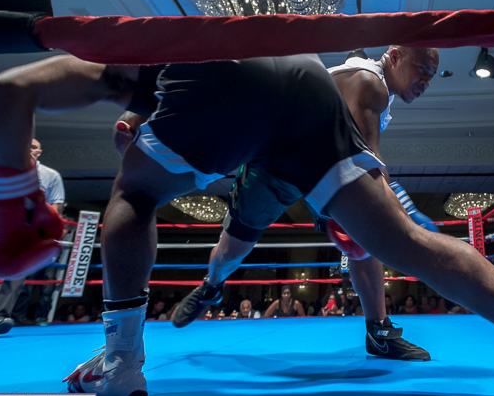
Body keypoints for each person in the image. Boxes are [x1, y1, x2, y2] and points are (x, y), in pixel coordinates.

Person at [0, 53, 494, 396]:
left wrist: (12, 191)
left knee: (135, 192)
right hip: (302, 82)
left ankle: (123, 359)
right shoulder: (155, 73)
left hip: (229, 91)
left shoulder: (124, 62)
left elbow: (7, 89)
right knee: (408, 243)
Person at [171, 47, 440, 362]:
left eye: (431, 75)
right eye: (421, 68)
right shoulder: (370, 84)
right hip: (278, 164)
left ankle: (378, 332)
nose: (425, 81)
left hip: (322, 169)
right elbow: (367, 164)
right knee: (231, 251)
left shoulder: (372, 84)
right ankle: (212, 285)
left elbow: (356, 159)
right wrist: (405, 208)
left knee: (364, 237)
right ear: (394, 56)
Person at [0, 138, 65, 337]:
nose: (29, 149)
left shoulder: (51, 175)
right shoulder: (0, 171)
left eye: (34, 146)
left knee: (15, 276)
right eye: (26, 145)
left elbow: (55, 207)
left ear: (40, 152)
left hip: (25, 233)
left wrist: (47, 233)